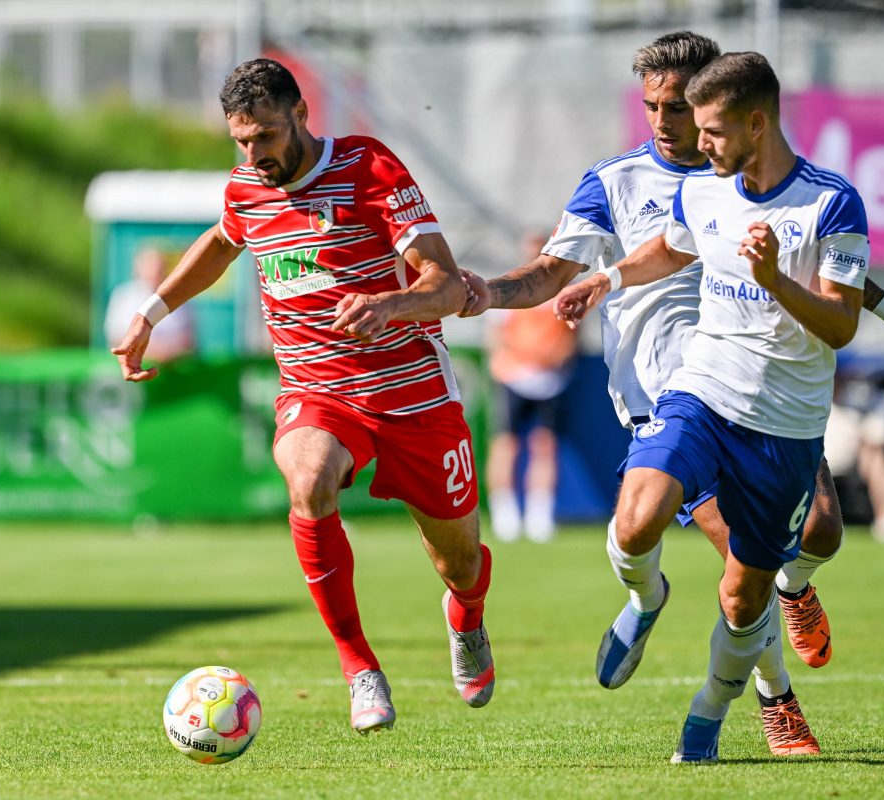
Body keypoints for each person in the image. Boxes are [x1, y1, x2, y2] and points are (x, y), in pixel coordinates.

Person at [461, 32, 884, 757]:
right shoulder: (620, 182)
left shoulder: (767, 182)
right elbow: (553, 271)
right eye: (652, 106)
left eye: (679, 108)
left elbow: (818, 257)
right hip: (672, 393)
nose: (663, 121)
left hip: (772, 396)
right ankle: (763, 690)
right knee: (710, 556)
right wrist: (491, 292)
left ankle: (791, 589)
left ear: (721, 107)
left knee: (819, 532)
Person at [111, 58, 495, 734]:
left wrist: (390, 303)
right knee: (309, 477)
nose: (253, 154)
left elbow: (447, 284)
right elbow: (223, 241)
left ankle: (466, 614)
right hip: (318, 391)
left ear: (300, 115)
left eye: (264, 136)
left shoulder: (369, 167)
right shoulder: (245, 187)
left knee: (459, 563)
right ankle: (359, 668)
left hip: (411, 393)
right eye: (241, 140)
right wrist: (152, 311)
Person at [552, 49, 884, 764]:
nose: (696, 143)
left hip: (784, 423)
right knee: (636, 520)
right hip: (700, 391)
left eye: (709, 128)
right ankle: (652, 602)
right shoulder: (703, 189)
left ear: (755, 124)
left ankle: (708, 710)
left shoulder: (831, 201)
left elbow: (840, 324)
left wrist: (776, 280)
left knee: (763, 581)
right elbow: (672, 249)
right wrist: (607, 280)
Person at [485, 233, 580, 543]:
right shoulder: (509, 287)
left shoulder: (564, 291)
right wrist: (526, 357)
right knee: (506, 444)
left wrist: (554, 357)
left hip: (552, 382)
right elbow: (496, 338)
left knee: (545, 445)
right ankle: (505, 514)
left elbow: (572, 337)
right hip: (513, 377)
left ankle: (540, 516)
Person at [825, 370, 884, 544]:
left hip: (855, 418)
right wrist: (848, 377)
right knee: (875, 435)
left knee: (879, 435)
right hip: (825, 416)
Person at [104, 247, 195, 362]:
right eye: (150, 267)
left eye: (159, 267)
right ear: (139, 269)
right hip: (131, 363)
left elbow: (188, 338)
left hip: (173, 365)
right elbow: (116, 335)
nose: (155, 271)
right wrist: (151, 351)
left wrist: (167, 352)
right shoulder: (124, 294)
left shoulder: (180, 296)